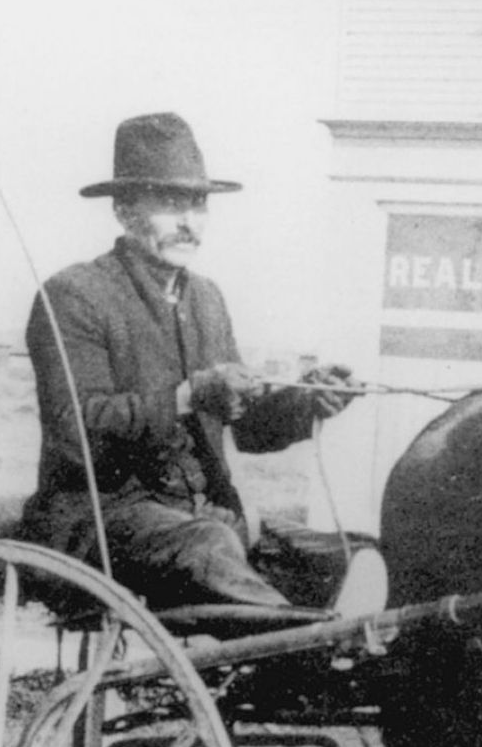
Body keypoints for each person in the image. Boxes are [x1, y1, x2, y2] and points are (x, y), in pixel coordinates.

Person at [19, 112, 359, 611]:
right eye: (169, 204)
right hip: (99, 522)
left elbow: (245, 427)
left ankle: (307, 660)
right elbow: (74, 431)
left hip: (207, 521)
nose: (188, 222)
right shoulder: (74, 297)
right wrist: (188, 396)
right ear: (123, 210)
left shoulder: (207, 300)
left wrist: (308, 403)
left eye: (198, 205)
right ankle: (300, 654)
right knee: (210, 546)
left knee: (352, 553)